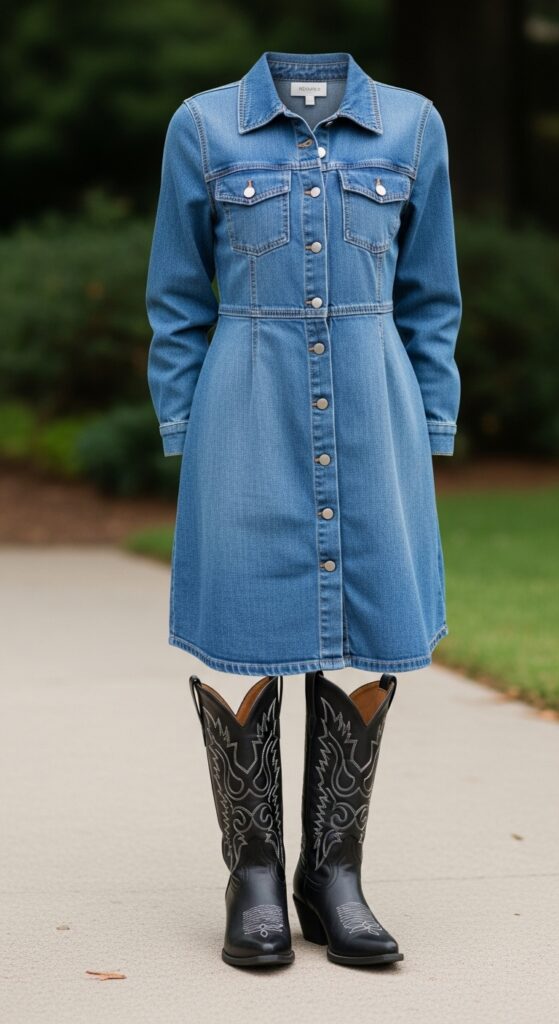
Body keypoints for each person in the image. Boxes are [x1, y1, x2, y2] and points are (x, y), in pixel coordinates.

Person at [145, 50, 462, 968]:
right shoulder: (202, 128)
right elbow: (174, 301)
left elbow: (430, 299)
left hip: (375, 407)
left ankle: (332, 876)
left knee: (369, 631)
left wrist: (428, 424)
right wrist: (187, 427)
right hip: (242, 407)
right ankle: (251, 877)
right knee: (239, 631)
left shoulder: (412, 125)